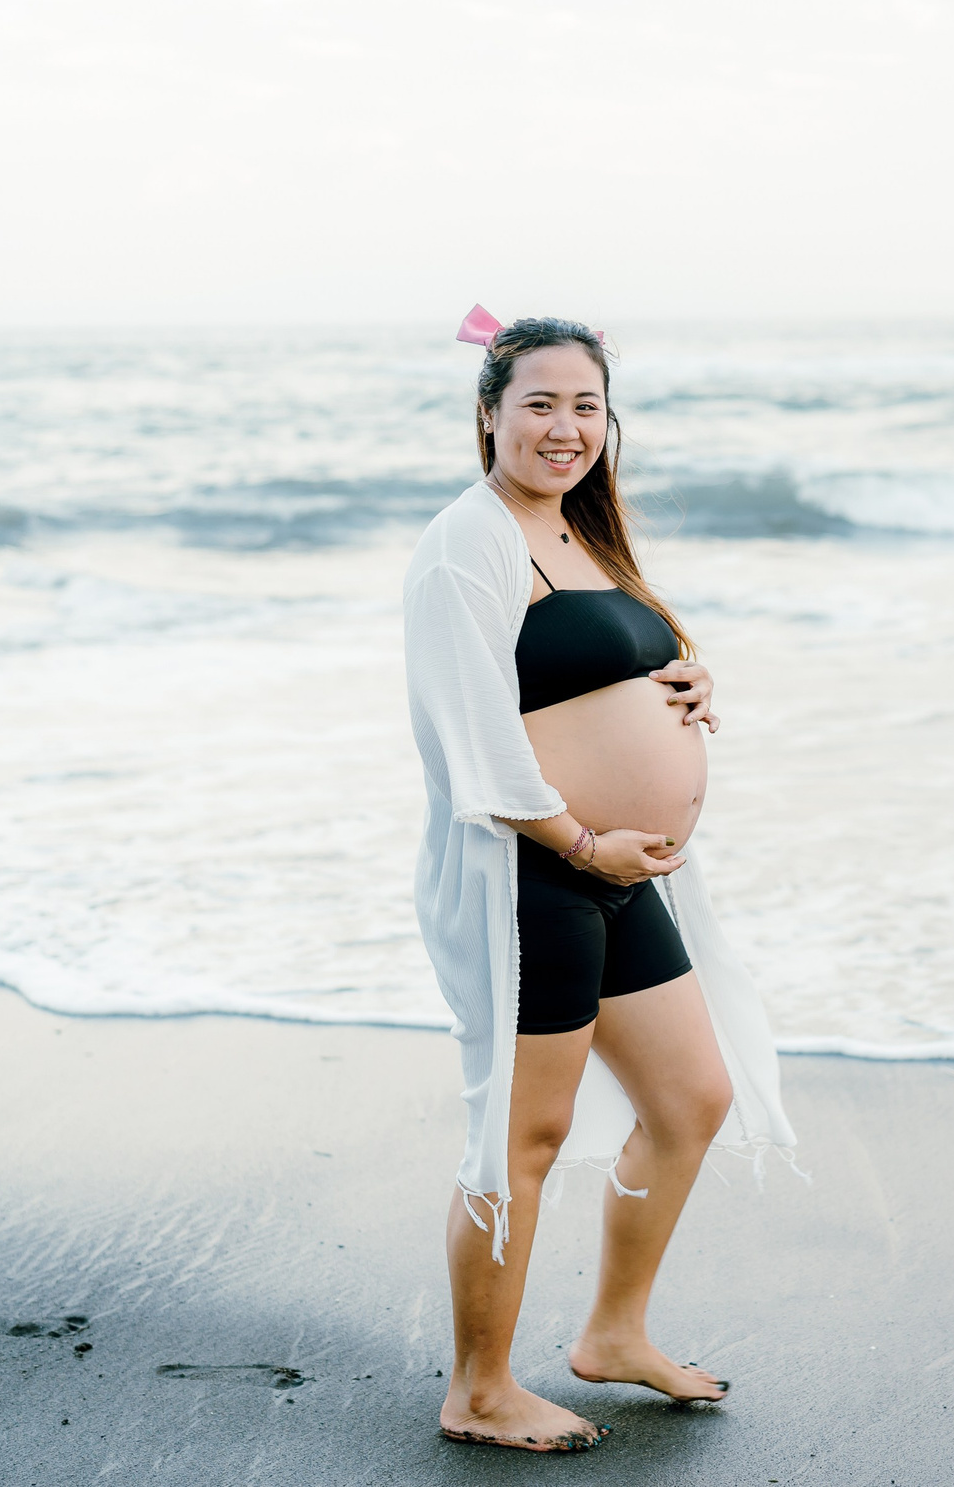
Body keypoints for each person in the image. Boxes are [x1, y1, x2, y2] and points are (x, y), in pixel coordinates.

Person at [403, 310, 797, 1454]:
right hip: (534, 876)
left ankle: (611, 1336)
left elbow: (605, 658)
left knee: (690, 1101)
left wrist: (683, 676)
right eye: (540, 403)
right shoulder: (464, 543)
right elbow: (471, 737)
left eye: (586, 405)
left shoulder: (579, 532)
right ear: (488, 413)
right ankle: (478, 1388)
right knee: (522, 1138)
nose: (566, 427)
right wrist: (581, 843)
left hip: (617, 874)